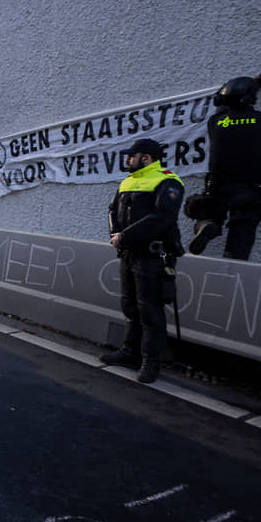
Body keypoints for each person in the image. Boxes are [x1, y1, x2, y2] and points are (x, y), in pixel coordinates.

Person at [100, 138, 185, 384]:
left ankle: (151, 362)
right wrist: (116, 235)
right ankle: (130, 352)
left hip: (152, 256)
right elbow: (111, 210)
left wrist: (124, 236)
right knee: (130, 306)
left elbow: (162, 218)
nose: (127, 160)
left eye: (131, 156)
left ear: (145, 158)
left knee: (150, 310)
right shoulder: (128, 181)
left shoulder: (168, 180)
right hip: (129, 253)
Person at [185, 75, 261, 260]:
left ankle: (207, 224)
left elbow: (221, 105)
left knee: (207, 209)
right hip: (249, 190)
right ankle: (233, 260)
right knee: (241, 231)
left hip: (218, 186)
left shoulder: (216, 123)